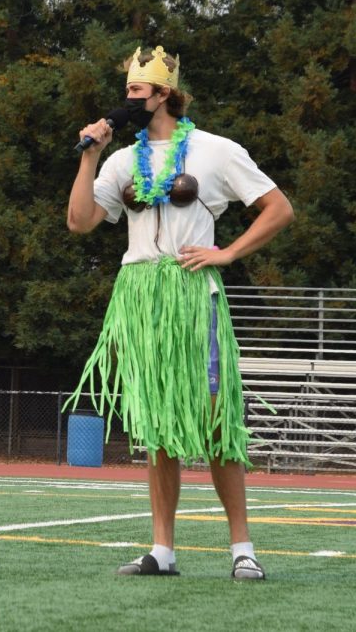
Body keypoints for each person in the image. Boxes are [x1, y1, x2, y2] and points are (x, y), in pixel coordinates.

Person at [64, 46, 294, 579]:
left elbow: (278, 208)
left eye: (136, 92)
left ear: (163, 94)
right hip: (142, 300)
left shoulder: (215, 151)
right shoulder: (122, 159)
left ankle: (242, 549)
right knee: (159, 426)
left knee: (217, 421)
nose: (127, 101)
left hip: (193, 300)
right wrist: (89, 155)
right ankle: (162, 551)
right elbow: (79, 222)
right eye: (127, 91)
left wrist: (228, 252)